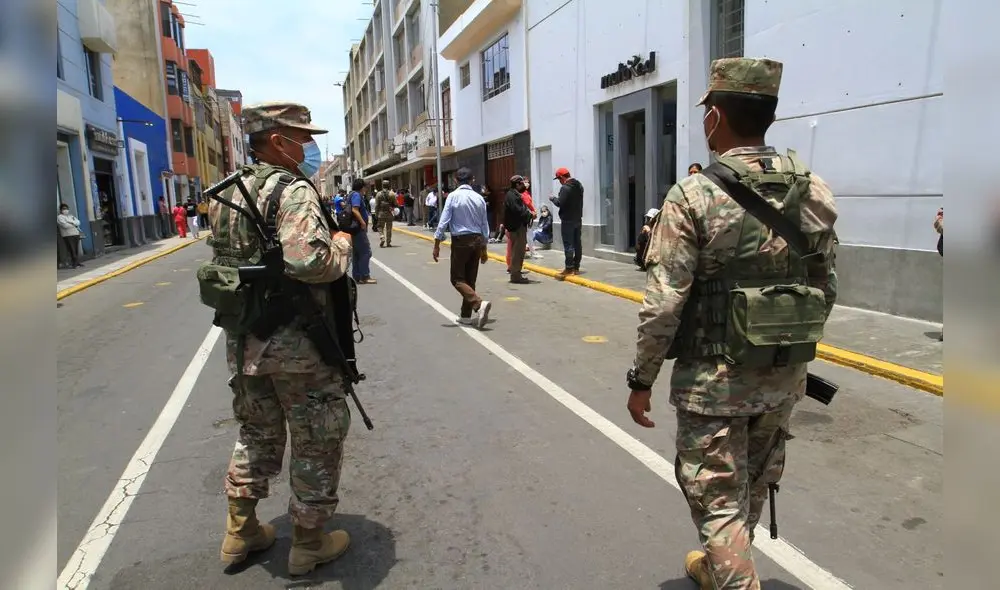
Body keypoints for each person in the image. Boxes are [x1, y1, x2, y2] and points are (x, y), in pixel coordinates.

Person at [624, 58, 838, 590]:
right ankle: (719, 568)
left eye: (706, 115)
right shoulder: (813, 189)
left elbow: (664, 304)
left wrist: (641, 379)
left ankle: (734, 578)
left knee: (717, 501)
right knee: (750, 490)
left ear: (715, 118)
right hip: (782, 376)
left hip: (712, 384)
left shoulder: (693, 195)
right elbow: (826, 288)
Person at [203, 101, 356, 575]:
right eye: (301, 137)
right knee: (315, 437)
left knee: (256, 433)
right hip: (298, 345)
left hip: (245, 340)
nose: (308, 147)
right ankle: (309, 542)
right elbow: (311, 263)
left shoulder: (228, 193)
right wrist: (343, 245)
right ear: (276, 141)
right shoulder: (292, 191)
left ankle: (241, 530)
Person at [432, 167, 492, 328]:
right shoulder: (479, 198)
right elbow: (484, 224)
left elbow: (444, 220)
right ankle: (465, 316)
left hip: (461, 241)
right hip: (477, 240)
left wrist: (437, 244)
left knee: (457, 279)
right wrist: (484, 248)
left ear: (456, 181)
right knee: (469, 279)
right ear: (472, 180)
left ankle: (479, 304)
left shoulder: (453, 196)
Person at [549, 166, 584, 278]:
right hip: (578, 219)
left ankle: (569, 268)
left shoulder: (565, 188)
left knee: (568, 244)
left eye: (559, 179)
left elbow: (560, 203)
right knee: (577, 243)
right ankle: (576, 267)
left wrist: (552, 198)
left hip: (568, 220)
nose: (559, 181)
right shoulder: (579, 185)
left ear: (563, 177)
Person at [503, 175, 533, 283]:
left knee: (518, 251)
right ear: (517, 184)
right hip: (517, 228)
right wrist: (530, 215)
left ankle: (516, 273)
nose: (524, 185)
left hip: (517, 227)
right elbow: (518, 211)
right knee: (518, 252)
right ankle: (515, 275)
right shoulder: (512, 196)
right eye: (522, 183)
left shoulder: (514, 194)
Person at [348, 178, 376, 284]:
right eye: (365, 186)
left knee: (357, 253)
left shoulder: (351, 194)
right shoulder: (356, 195)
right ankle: (365, 276)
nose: (366, 189)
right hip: (358, 228)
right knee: (366, 252)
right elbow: (355, 209)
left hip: (354, 229)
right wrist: (363, 223)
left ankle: (357, 275)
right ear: (362, 187)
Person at [57, 203, 83, 268]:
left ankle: (77, 262)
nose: (65, 210)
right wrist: (74, 223)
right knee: (71, 249)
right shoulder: (60, 217)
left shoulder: (71, 216)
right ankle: (73, 263)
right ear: (61, 210)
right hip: (68, 235)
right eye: (64, 209)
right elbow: (65, 225)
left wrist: (71, 222)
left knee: (76, 249)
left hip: (76, 234)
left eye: (66, 209)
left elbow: (78, 222)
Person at [374, 180, 396, 248]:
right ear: (388, 185)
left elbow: (377, 205)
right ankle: (388, 243)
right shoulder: (392, 194)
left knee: (380, 227)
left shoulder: (378, 194)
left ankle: (382, 237)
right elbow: (395, 203)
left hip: (381, 213)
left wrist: (376, 214)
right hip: (389, 213)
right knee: (389, 228)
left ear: (382, 185)